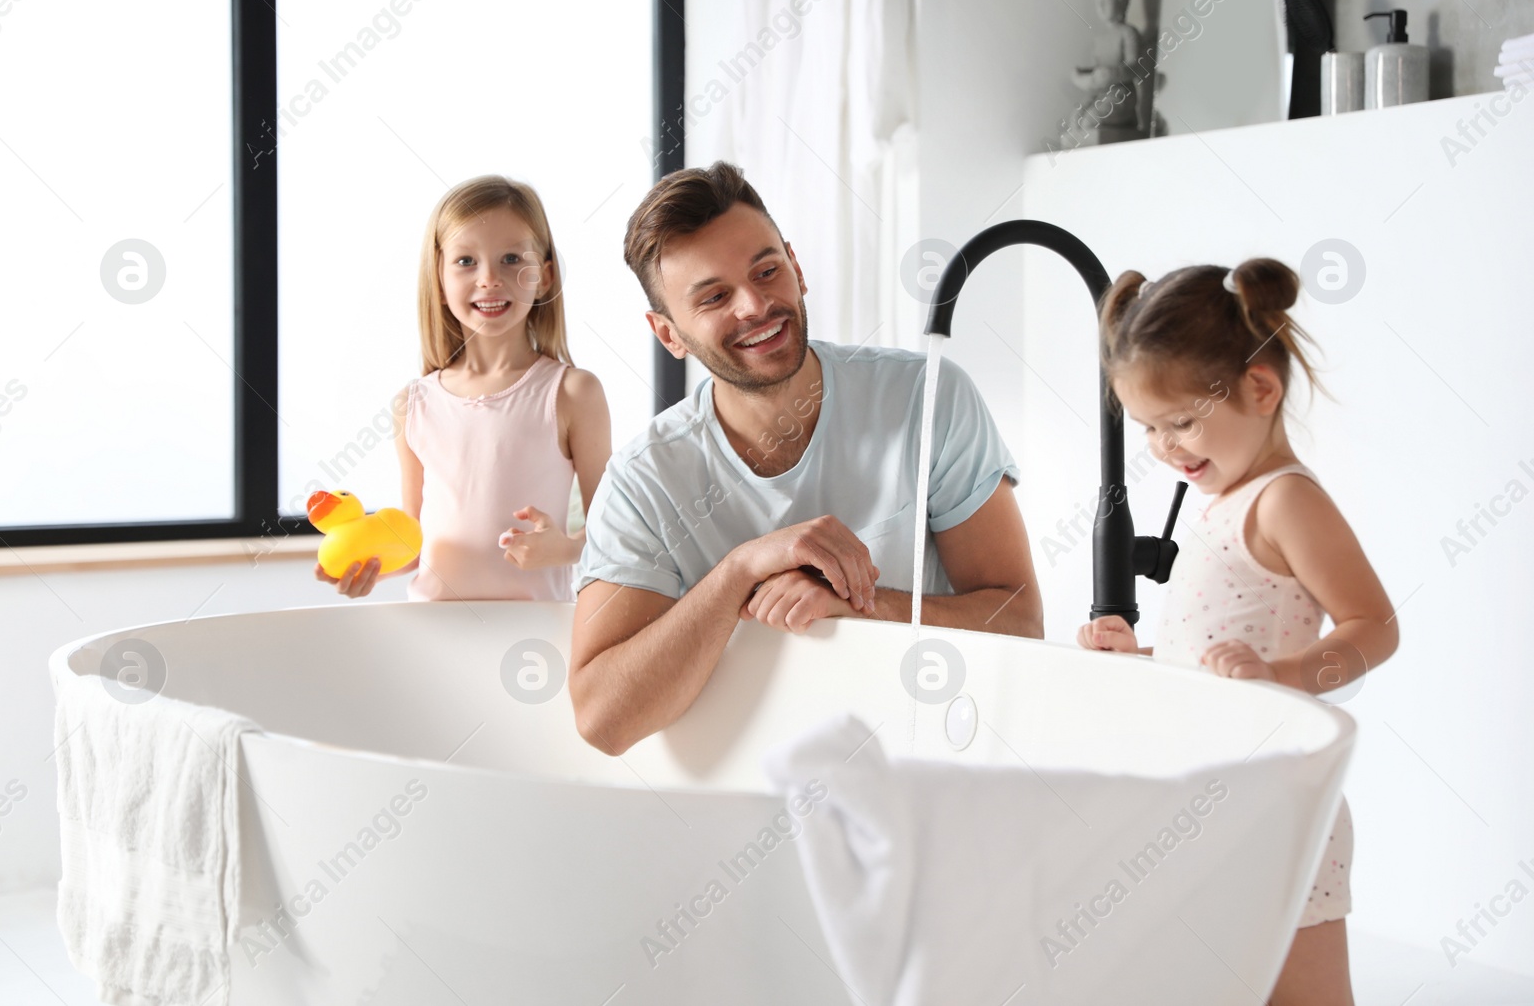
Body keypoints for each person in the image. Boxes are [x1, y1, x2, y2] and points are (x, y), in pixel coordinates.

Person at [569, 161, 1042, 755]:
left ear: (795, 266)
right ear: (668, 334)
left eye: (767, 270)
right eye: (715, 296)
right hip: (744, 791)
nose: (755, 305)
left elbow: (1021, 621)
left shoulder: (926, 399)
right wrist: (740, 570)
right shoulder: (644, 482)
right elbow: (604, 720)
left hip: (933, 759)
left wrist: (856, 606)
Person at [1079, 258, 1399, 1006]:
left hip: (1284, 805)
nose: (1165, 447)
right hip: (1211, 803)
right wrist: (1145, 658)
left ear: (1260, 388)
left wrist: (1284, 678)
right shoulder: (1220, 500)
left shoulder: (1283, 500)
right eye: (1151, 429)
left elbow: (1375, 626)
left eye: (1182, 420)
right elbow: (1215, 654)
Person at [316, 175, 610, 601]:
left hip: (535, 640)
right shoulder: (412, 405)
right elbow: (414, 547)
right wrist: (366, 568)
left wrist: (565, 548)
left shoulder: (572, 393)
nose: (489, 278)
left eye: (511, 258)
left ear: (544, 277)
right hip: (432, 632)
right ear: (438, 278)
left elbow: (616, 531)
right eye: (466, 261)